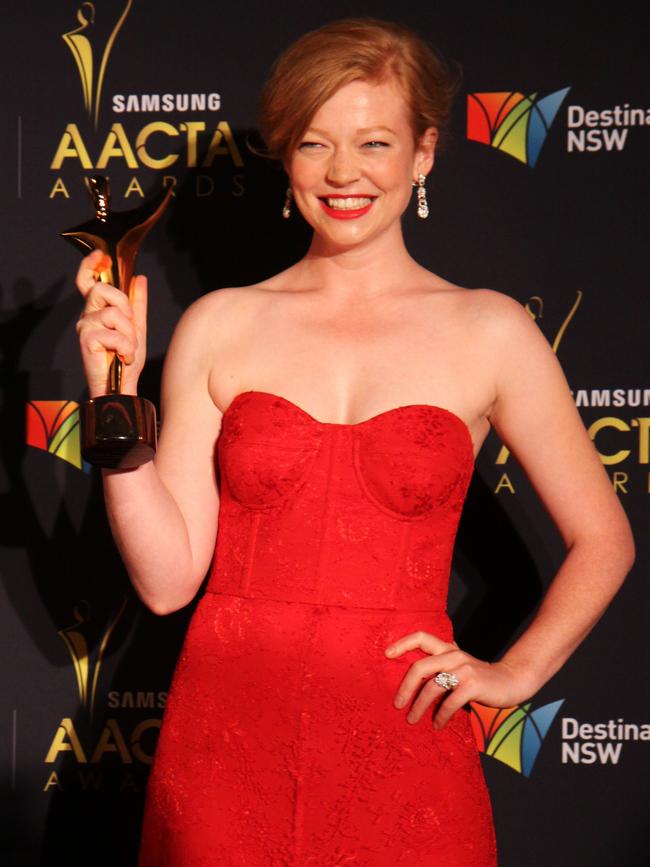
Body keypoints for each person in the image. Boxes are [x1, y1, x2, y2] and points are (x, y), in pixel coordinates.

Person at [74, 18, 634, 867]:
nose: (343, 174)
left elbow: (605, 539)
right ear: (286, 160)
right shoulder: (222, 324)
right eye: (313, 144)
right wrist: (112, 395)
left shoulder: (491, 330)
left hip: (406, 737)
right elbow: (165, 580)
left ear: (424, 153)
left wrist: (513, 676)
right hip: (228, 736)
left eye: (375, 142)